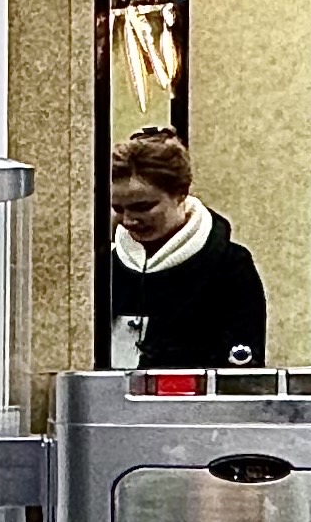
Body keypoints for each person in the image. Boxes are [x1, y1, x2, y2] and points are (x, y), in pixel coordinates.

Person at [108, 127, 266, 369]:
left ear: (181, 194)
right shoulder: (105, 266)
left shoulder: (230, 268)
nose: (128, 221)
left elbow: (241, 374)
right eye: (118, 209)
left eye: (143, 207)